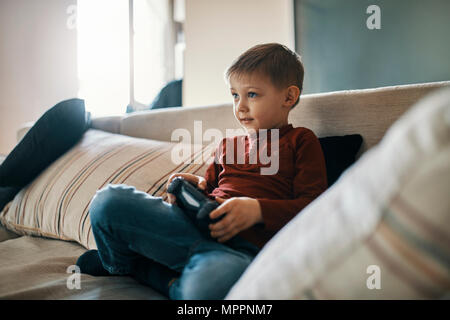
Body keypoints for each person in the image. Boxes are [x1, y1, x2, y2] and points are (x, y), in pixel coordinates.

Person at [76, 43, 328, 299]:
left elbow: (315, 208)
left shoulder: (301, 140)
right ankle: (119, 265)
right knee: (108, 202)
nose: (240, 106)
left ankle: (145, 271)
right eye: (234, 95)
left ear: (288, 97)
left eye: (251, 95)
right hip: (188, 228)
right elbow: (209, 186)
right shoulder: (228, 144)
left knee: (208, 289)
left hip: (237, 250)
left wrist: (257, 210)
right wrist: (192, 185)